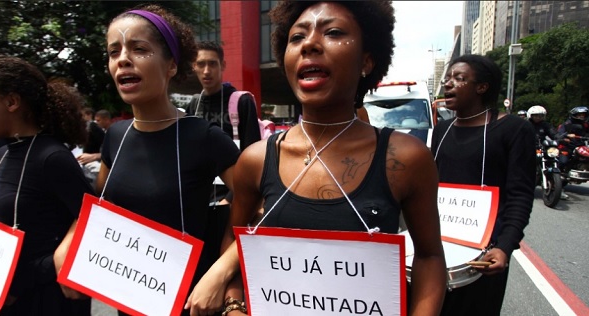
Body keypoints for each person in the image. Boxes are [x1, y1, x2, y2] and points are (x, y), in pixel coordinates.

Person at [187, 1, 447, 315]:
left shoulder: (406, 158)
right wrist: (234, 304)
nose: (309, 43)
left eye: (333, 32)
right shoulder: (255, 160)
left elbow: (429, 257)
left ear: (367, 60)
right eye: (296, 38)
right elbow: (235, 235)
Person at [99, 4, 240, 315]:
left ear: (172, 65)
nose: (123, 59)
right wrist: (71, 240)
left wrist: (222, 271)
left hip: (193, 301)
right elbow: (99, 205)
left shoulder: (204, 136)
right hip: (131, 298)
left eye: (139, 49)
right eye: (113, 51)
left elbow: (257, 202)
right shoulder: (115, 136)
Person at [431, 54, 535, 315]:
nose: (449, 84)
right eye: (448, 79)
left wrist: (504, 247)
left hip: (483, 255)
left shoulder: (514, 129)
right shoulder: (442, 129)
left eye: (459, 78)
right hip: (438, 247)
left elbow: (520, 195)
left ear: (482, 87)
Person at [0, 54, 93, 315]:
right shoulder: (0, 153)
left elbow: (91, 221)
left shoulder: (52, 157)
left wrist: (20, 282)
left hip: (45, 301)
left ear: (12, 102)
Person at [186, 40, 262, 205]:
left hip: (233, 199)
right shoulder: (194, 103)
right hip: (199, 200)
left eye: (212, 64)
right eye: (201, 64)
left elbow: (254, 159)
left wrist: (230, 199)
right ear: (194, 66)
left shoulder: (242, 101)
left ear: (223, 65)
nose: (207, 71)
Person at [556, 106, 589, 171]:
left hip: (583, 146)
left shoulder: (586, 125)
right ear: (574, 115)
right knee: (563, 162)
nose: (581, 116)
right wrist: (567, 135)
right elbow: (558, 135)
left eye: (583, 115)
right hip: (568, 147)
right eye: (579, 115)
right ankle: (559, 175)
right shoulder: (566, 124)